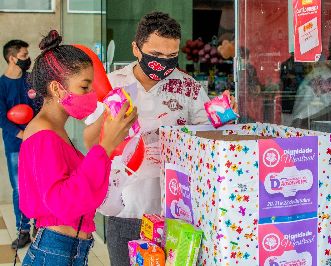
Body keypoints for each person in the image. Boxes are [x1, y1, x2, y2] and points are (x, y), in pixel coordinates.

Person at [84, 12, 237, 266]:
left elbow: (208, 136)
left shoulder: (188, 87)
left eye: (171, 57)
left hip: (177, 212)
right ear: (136, 48)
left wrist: (225, 115)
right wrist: (112, 116)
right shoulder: (113, 84)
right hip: (127, 207)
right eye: (156, 55)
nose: (163, 63)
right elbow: (91, 143)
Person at [18, 30, 137, 265]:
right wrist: (105, 147)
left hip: (66, 250)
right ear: (56, 88)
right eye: (85, 87)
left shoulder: (54, 129)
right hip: (55, 253)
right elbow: (63, 202)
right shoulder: (44, 135)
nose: (91, 95)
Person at [0, 39, 34, 248]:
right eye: (23, 56)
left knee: (39, 184)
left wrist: (36, 130)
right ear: (12, 58)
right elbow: (1, 117)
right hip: (15, 144)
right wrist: (21, 133)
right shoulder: (1, 85)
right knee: (20, 189)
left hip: (37, 141)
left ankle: (41, 226)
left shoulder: (30, 81)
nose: (27, 59)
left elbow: (40, 106)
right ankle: (23, 231)